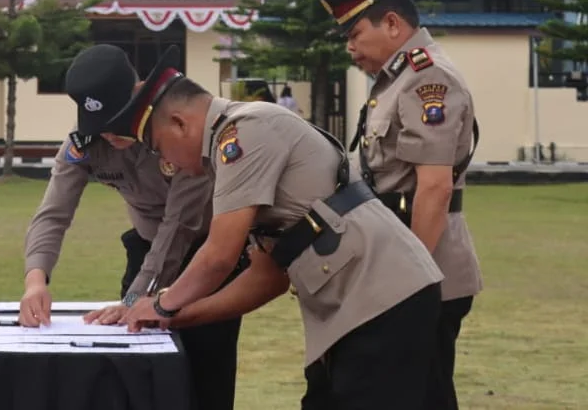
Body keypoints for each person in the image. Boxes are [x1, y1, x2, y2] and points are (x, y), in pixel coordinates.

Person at [119, 45, 446, 409]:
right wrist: (180, 316)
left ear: (180, 123)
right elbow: (268, 277)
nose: (166, 163)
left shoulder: (242, 133)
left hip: (382, 298)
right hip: (363, 303)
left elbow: (218, 256)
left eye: (159, 147)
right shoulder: (236, 143)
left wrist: (162, 305)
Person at [21, 44, 247, 410]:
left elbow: (180, 226)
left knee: (206, 378)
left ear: (137, 95)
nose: (109, 135)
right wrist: (35, 282)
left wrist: (134, 300)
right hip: (145, 252)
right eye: (100, 125)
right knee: (138, 375)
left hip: (207, 258)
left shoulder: (182, 128)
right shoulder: (86, 141)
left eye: (117, 121)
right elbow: (53, 213)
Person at [315, 0, 484, 410]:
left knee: (420, 396)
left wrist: (404, 280)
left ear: (391, 23)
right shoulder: (397, 79)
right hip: (399, 261)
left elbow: (434, 189)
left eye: (355, 34)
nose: (350, 49)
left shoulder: (427, 78)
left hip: (421, 272)